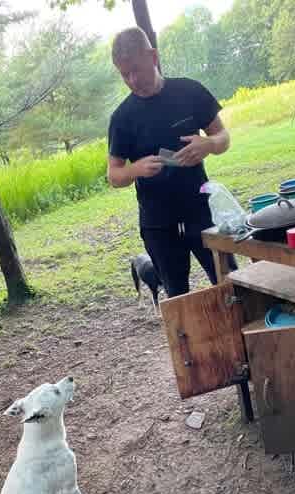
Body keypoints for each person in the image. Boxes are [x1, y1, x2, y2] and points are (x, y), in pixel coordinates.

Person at [107, 26, 237, 297]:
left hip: (201, 210)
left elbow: (223, 137)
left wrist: (209, 144)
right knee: (177, 298)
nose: (132, 80)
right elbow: (114, 175)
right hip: (157, 222)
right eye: (124, 74)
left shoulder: (189, 91)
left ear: (153, 57)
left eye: (136, 70)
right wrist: (136, 168)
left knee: (231, 284)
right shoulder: (122, 118)